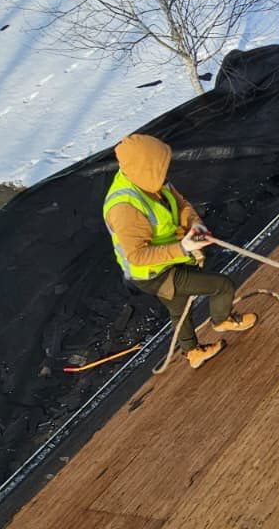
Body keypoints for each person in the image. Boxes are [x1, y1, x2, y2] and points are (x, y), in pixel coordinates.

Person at [102, 133, 256, 370]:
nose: (165, 173)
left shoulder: (151, 181)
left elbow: (182, 204)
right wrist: (183, 247)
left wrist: (194, 224)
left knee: (179, 307)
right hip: (153, 274)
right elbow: (137, 256)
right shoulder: (124, 208)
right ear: (145, 167)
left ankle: (193, 353)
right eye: (159, 167)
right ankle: (221, 320)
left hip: (169, 259)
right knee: (222, 286)